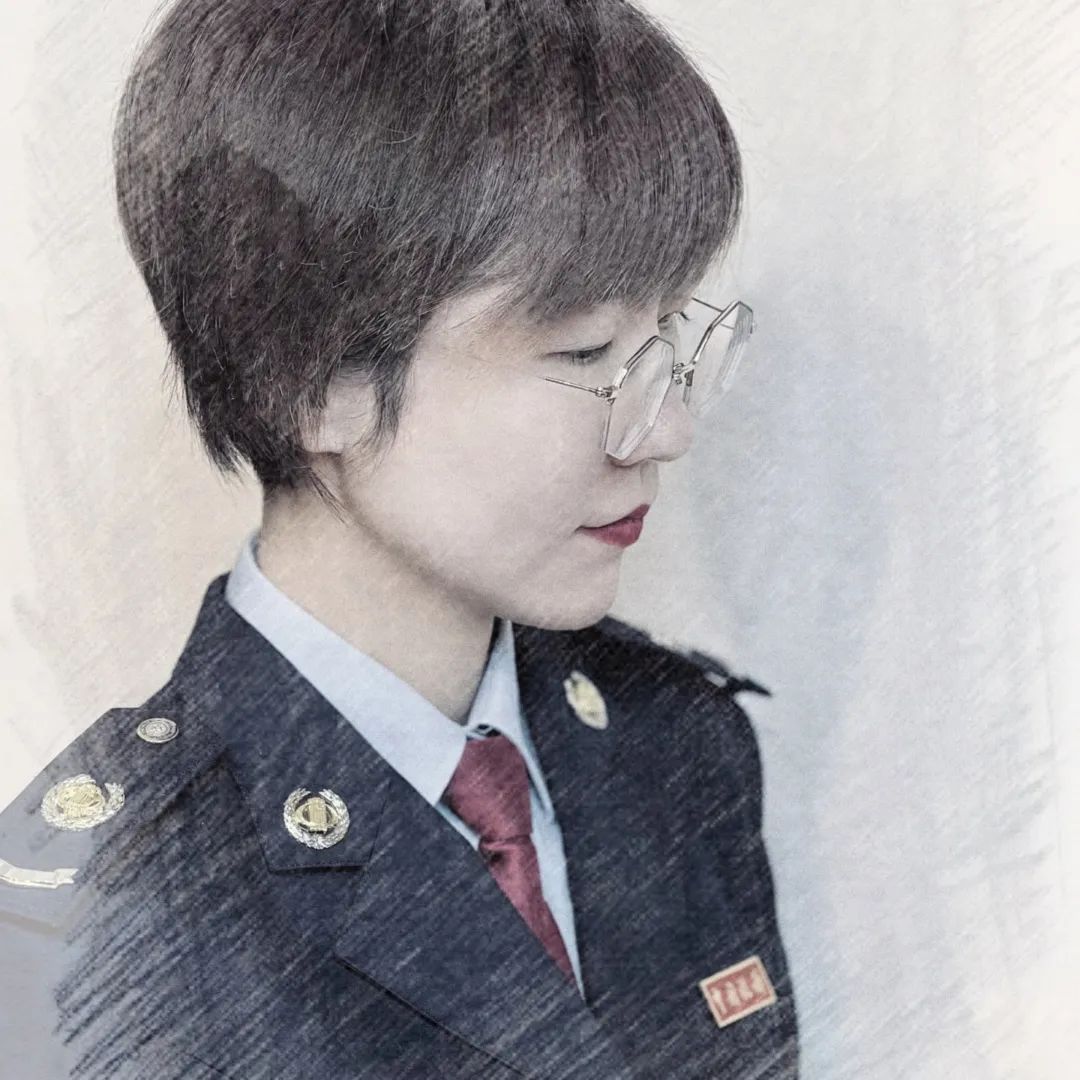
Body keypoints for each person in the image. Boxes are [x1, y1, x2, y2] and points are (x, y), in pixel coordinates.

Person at [0, 0, 798, 1076]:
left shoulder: (675, 748)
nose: (666, 430)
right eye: (586, 351)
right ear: (310, 384)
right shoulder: (92, 909)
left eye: (666, 340)